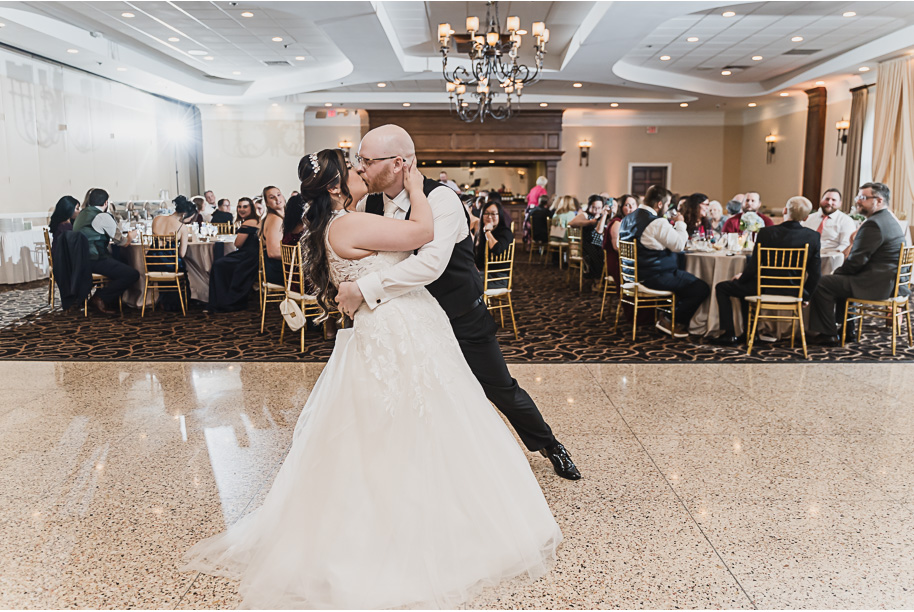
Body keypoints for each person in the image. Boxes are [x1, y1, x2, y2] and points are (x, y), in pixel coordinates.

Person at [183, 147, 562, 609]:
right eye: (353, 167)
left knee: (404, 423)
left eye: (364, 163)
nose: (362, 170)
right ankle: (409, 525)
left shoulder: (344, 220)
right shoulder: (350, 223)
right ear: (337, 186)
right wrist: (420, 185)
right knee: (410, 423)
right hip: (395, 332)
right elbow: (423, 233)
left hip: (392, 326)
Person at [337, 124, 580, 481]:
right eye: (360, 160)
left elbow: (430, 265)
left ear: (399, 163)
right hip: (410, 320)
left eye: (367, 160)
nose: (360, 167)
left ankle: (548, 443)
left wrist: (364, 288)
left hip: (459, 315)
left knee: (500, 389)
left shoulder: (441, 200)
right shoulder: (369, 202)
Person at [709, 196, 822, 346]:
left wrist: (741, 279)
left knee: (722, 288)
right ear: (806, 217)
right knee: (745, 286)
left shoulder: (766, 233)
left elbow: (754, 266)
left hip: (763, 288)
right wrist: (805, 295)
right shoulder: (813, 237)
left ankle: (728, 334)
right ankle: (750, 333)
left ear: (784, 211)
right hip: (793, 291)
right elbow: (815, 273)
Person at [808, 182, 906, 345]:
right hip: (888, 279)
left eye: (863, 198)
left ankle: (828, 334)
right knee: (840, 280)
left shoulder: (874, 224)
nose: (858, 201)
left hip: (876, 282)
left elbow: (856, 261)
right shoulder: (888, 219)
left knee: (822, 282)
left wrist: (836, 273)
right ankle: (848, 329)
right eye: (857, 197)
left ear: (878, 201)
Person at [618, 184, 710, 338]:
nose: (667, 208)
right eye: (667, 205)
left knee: (686, 280)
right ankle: (669, 320)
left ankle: (668, 315)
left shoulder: (627, 219)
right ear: (659, 204)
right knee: (701, 287)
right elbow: (679, 245)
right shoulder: (656, 222)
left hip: (633, 275)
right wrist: (680, 223)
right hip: (655, 276)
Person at [72, 188, 139, 314]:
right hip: (95, 259)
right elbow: (123, 242)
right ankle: (99, 298)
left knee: (122, 261)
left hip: (80, 259)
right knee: (131, 274)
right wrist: (131, 236)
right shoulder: (102, 216)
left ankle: (111, 299)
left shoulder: (82, 214)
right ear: (106, 203)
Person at [206, 201, 261, 313]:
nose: (242, 209)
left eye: (245, 206)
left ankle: (226, 300)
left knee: (218, 265)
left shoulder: (249, 222)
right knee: (222, 263)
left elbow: (238, 244)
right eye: (239, 206)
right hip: (251, 255)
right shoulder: (255, 220)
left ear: (251, 208)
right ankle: (226, 298)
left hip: (248, 256)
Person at [149, 195, 196, 311]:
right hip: (170, 264)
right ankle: (176, 304)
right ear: (184, 214)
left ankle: (162, 301)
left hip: (152, 261)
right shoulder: (182, 228)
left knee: (168, 265)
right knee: (182, 267)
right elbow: (182, 254)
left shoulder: (157, 219)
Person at [570, 195, 608, 290]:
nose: (596, 210)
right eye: (594, 207)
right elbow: (571, 223)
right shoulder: (585, 215)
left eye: (599, 208)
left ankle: (604, 280)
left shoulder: (604, 216)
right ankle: (597, 281)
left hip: (600, 244)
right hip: (587, 244)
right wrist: (590, 222)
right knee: (597, 254)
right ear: (589, 206)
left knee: (604, 253)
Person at [474, 200, 514, 289]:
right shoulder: (479, 233)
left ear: (499, 215)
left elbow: (497, 249)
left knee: (467, 283)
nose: (489, 217)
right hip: (482, 274)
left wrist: (487, 232)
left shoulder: (505, 232)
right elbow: (475, 257)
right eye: (486, 213)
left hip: (499, 278)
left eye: (493, 214)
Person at [803, 188, 855, 254]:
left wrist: (831, 256)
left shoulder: (846, 221)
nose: (829, 202)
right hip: (807, 256)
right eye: (827, 199)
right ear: (821, 200)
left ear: (840, 204)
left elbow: (846, 245)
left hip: (831, 258)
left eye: (834, 200)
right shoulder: (809, 218)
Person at [602, 194, 637, 292]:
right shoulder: (617, 223)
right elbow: (616, 247)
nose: (631, 207)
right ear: (621, 208)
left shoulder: (630, 222)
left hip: (626, 260)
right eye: (627, 205)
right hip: (618, 262)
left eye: (633, 204)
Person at [260, 185, 286, 285]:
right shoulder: (275, 219)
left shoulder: (279, 217)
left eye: (279, 195)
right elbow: (273, 252)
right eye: (272, 197)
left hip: (279, 267)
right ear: (267, 203)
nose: (277, 199)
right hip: (277, 270)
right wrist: (298, 256)